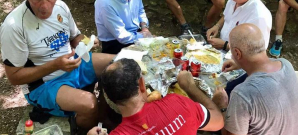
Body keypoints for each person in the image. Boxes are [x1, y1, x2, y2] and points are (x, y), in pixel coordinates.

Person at [0, 0, 115, 130]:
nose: (44, 6)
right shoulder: (13, 26)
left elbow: (75, 37)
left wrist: (88, 42)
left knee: (117, 63)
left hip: (73, 63)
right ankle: (87, 129)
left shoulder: (61, 7)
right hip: (44, 84)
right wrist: (56, 65)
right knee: (89, 104)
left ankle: (104, 115)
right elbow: (14, 77)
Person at [87, 58, 224, 135]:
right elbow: (218, 121)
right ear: (142, 85)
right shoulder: (178, 102)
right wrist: (189, 86)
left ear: (110, 98)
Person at [212, 24, 298, 135]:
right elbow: (262, 62)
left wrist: (222, 106)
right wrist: (240, 63)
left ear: (237, 53)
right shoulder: (286, 64)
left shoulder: (242, 93)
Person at [206, 0, 272, 51]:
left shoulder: (259, 16)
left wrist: (225, 45)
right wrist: (217, 26)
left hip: (241, 61)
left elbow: (257, 51)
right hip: (222, 53)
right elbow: (227, 16)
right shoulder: (233, 0)